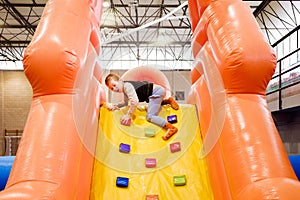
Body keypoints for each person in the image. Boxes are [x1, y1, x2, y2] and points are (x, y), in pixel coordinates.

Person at [104, 73, 179, 140]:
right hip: (154, 94)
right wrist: (114, 106)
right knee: (153, 104)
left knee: (150, 116)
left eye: (114, 85)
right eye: (111, 89)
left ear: (120, 81)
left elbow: (135, 102)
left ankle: (170, 127)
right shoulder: (125, 89)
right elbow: (125, 103)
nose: (114, 89)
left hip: (156, 92)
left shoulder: (127, 86)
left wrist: (128, 115)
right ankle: (168, 100)